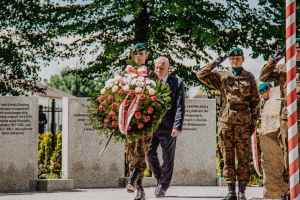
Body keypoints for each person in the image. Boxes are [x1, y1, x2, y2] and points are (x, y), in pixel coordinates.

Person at [196, 47, 260, 200]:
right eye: (232, 58)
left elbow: (255, 101)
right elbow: (201, 74)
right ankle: (231, 191)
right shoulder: (222, 77)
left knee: (243, 156)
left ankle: (242, 192)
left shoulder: (249, 78)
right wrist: (217, 61)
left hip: (243, 122)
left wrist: (254, 122)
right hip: (226, 121)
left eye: (237, 58)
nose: (234, 60)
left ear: (243, 59)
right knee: (227, 155)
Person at [259, 38, 300, 199]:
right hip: (287, 117)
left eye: (299, 50)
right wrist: (274, 58)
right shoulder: (284, 68)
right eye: (294, 50)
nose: (297, 53)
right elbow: (264, 76)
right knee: (288, 152)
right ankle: (291, 186)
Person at [147, 56, 185, 198]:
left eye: (161, 68)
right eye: (156, 67)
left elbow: (180, 106)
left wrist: (177, 126)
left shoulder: (177, 82)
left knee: (168, 158)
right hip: (152, 128)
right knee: (149, 153)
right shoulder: (150, 82)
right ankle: (160, 180)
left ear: (168, 68)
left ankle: (163, 186)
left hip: (169, 127)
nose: (158, 70)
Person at [125, 42, 152, 200]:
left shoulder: (151, 74)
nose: (137, 56)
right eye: (135, 54)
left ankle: (134, 182)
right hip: (129, 122)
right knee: (130, 154)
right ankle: (138, 189)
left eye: (140, 54)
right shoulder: (126, 73)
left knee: (141, 153)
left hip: (145, 121)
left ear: (146, 55)